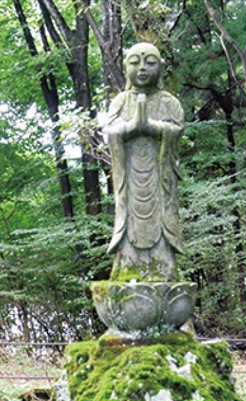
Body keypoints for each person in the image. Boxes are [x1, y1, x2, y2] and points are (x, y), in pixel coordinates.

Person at [103, 42, 184, 281]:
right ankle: (128, 269)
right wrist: (130, 127)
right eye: (135, 62)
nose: (142, 68)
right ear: (125, 66)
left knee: (162, 218)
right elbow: (111, 132)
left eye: (149, 62)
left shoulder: (169, 103)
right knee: (129, 223)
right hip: (129, 182)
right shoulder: (120, 102)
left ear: (160, 67)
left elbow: (177, 129)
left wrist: (152, 127)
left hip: (159, 180)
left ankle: (164, 270)